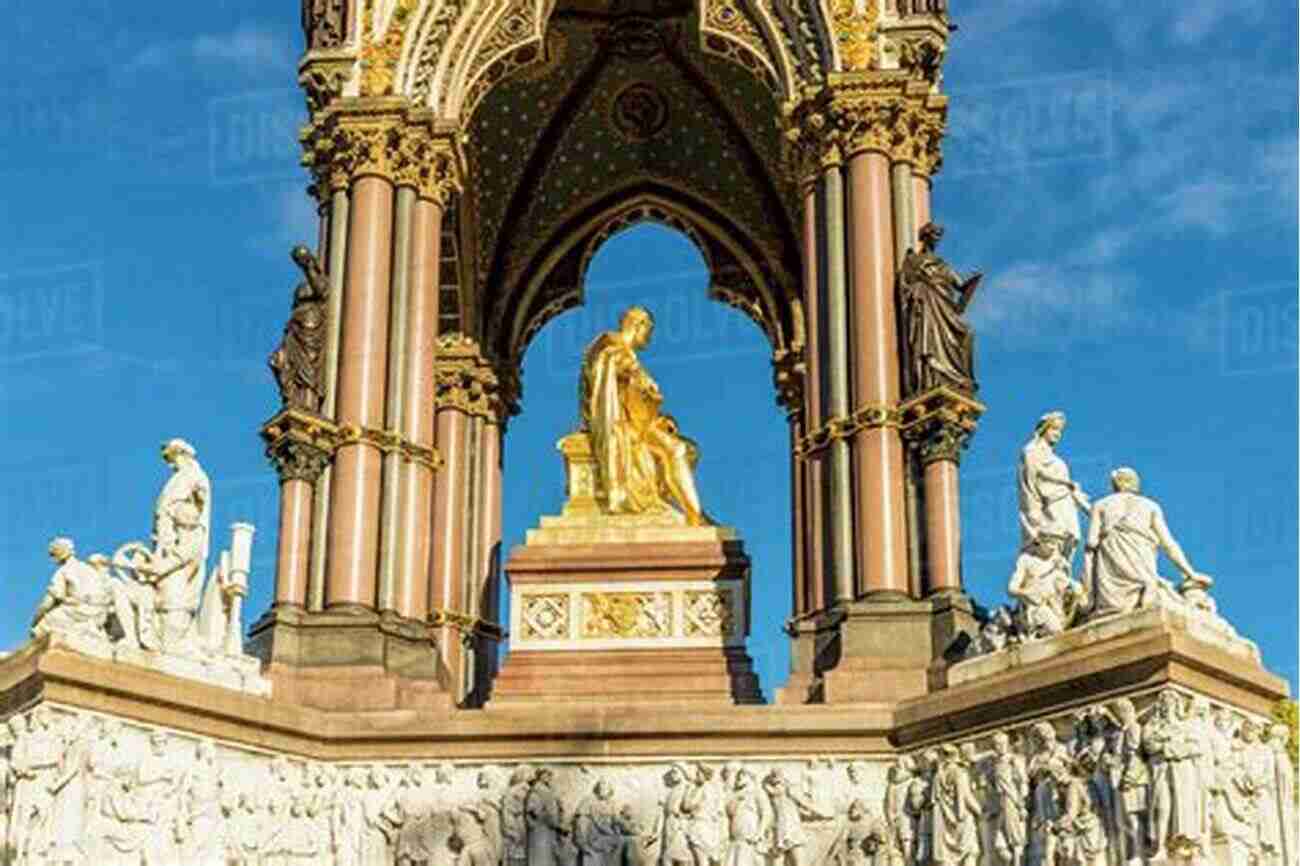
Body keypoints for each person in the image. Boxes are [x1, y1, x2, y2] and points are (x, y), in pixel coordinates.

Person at [579, 306, 708, 526]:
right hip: (623, 427)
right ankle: (695, 516)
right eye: (648, 330)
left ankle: (680, 505)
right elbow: (606, 394)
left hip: (641, 426)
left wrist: (659, 418)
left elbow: (638, 402)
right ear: (638, 325)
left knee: (690, 449)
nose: (649, 338)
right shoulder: (612, 349)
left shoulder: (628, 357)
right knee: (677, 450)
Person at [1083, 467, 1210, 620]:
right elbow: (1168, 544)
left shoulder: (1101, 505)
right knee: (1152, 595)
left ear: (1115, 484)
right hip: (1141, 561)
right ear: (1135, 483)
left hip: (1111, 569)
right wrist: (1190, 573)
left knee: (1112, 611)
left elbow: (1091, 541)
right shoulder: (1150, 506)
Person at [897, 222, 981, 396]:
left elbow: (960, 285)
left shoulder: (942, 265)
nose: (936, 240)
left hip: (943, 307)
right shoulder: (912, 260)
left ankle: (954, 377)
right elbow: (904, 285)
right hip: (924, 305)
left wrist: (973, 282)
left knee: (966, 333)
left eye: (938, 237)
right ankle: (928, 379)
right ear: (925, 237)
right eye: (934, 235)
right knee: (926, 341)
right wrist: (917, 290)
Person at [1017, 411, 1090, 561]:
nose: (1057, 434)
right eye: (1054, 429)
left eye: (1060, 431)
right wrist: (1033, 512)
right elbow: (1029, 482)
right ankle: (1050, 569)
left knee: (1071, 537)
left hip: (1065, 501)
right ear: (1044, 429)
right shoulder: (1031, 451)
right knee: (1056, 537)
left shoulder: (1058, 460)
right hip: (1050, 502)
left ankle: (1062, 571)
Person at [269, 245, 330, 412]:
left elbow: (322, 292)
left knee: (308, 369)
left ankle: (308, 403)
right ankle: (289, 396)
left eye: (301, 259)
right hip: (295, 328)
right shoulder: (301, 288)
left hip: (310, 328)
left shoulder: (318, 280)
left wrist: (308, 267)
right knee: (277, 360)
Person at [31, 537, 113, 640]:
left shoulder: (62, 571)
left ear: (58, 554)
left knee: (40, 629)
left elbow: (48, 602)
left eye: (52, 554)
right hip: (99, 614)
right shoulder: (88, 568)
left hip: (78, 612)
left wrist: (35, 620)